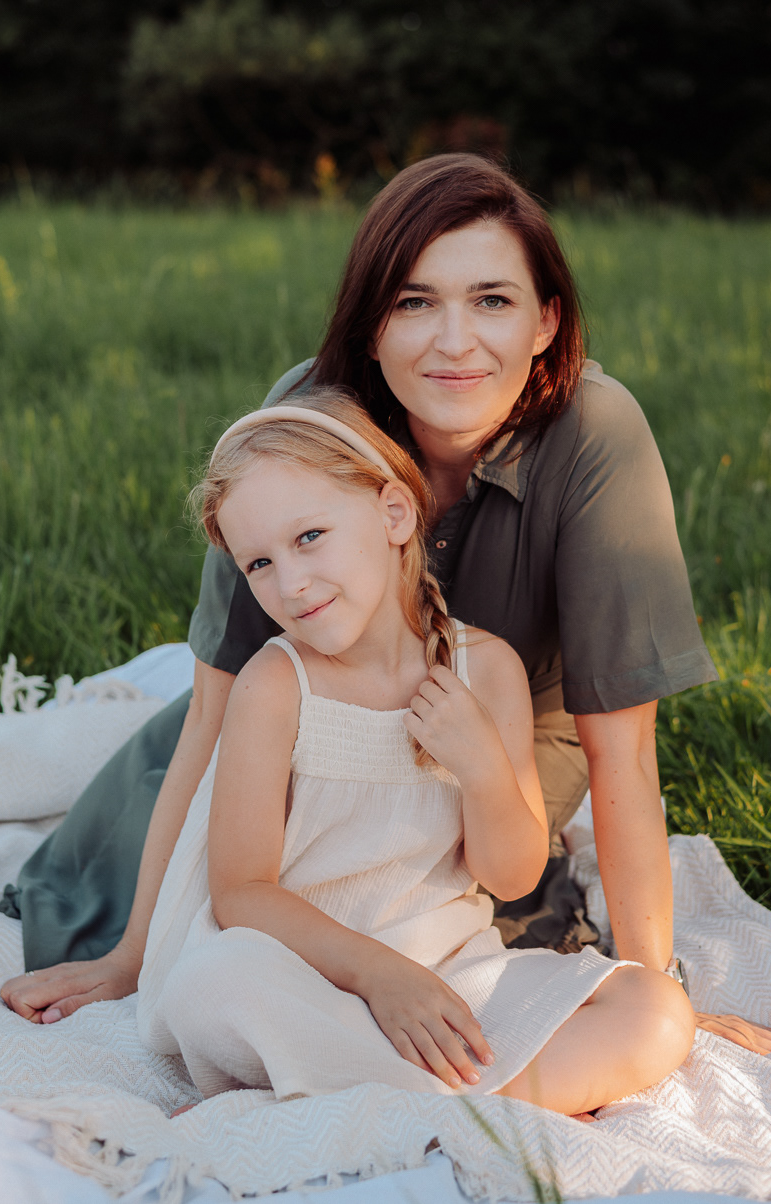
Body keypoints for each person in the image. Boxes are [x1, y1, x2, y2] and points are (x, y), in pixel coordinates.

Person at [0, 153, 771, 1058]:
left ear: (545, 320)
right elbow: (216, 707)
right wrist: (134, 955)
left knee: (486, 911)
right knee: (188, 842)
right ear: (370, 325)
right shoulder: (304, 429)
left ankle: (432, 1058)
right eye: (415, 302)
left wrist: (658, 984)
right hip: (320, 696)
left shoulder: (595, 436)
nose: (455, 342)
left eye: (492, 300)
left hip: (507, 729)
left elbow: (624, 753)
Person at [133, 390, 695, 1113]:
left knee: (655, 1010)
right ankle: (457, 1105)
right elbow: (240, 891)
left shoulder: (485, 669)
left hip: (447, 972)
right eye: (259, 563)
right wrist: (377, 976)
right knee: (208, 985)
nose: (290, 582)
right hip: (303, 974)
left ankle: (382, 1102)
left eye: (310, 537)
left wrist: (483, 765)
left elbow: (512, 875)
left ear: (394, 514)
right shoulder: (276, 685)